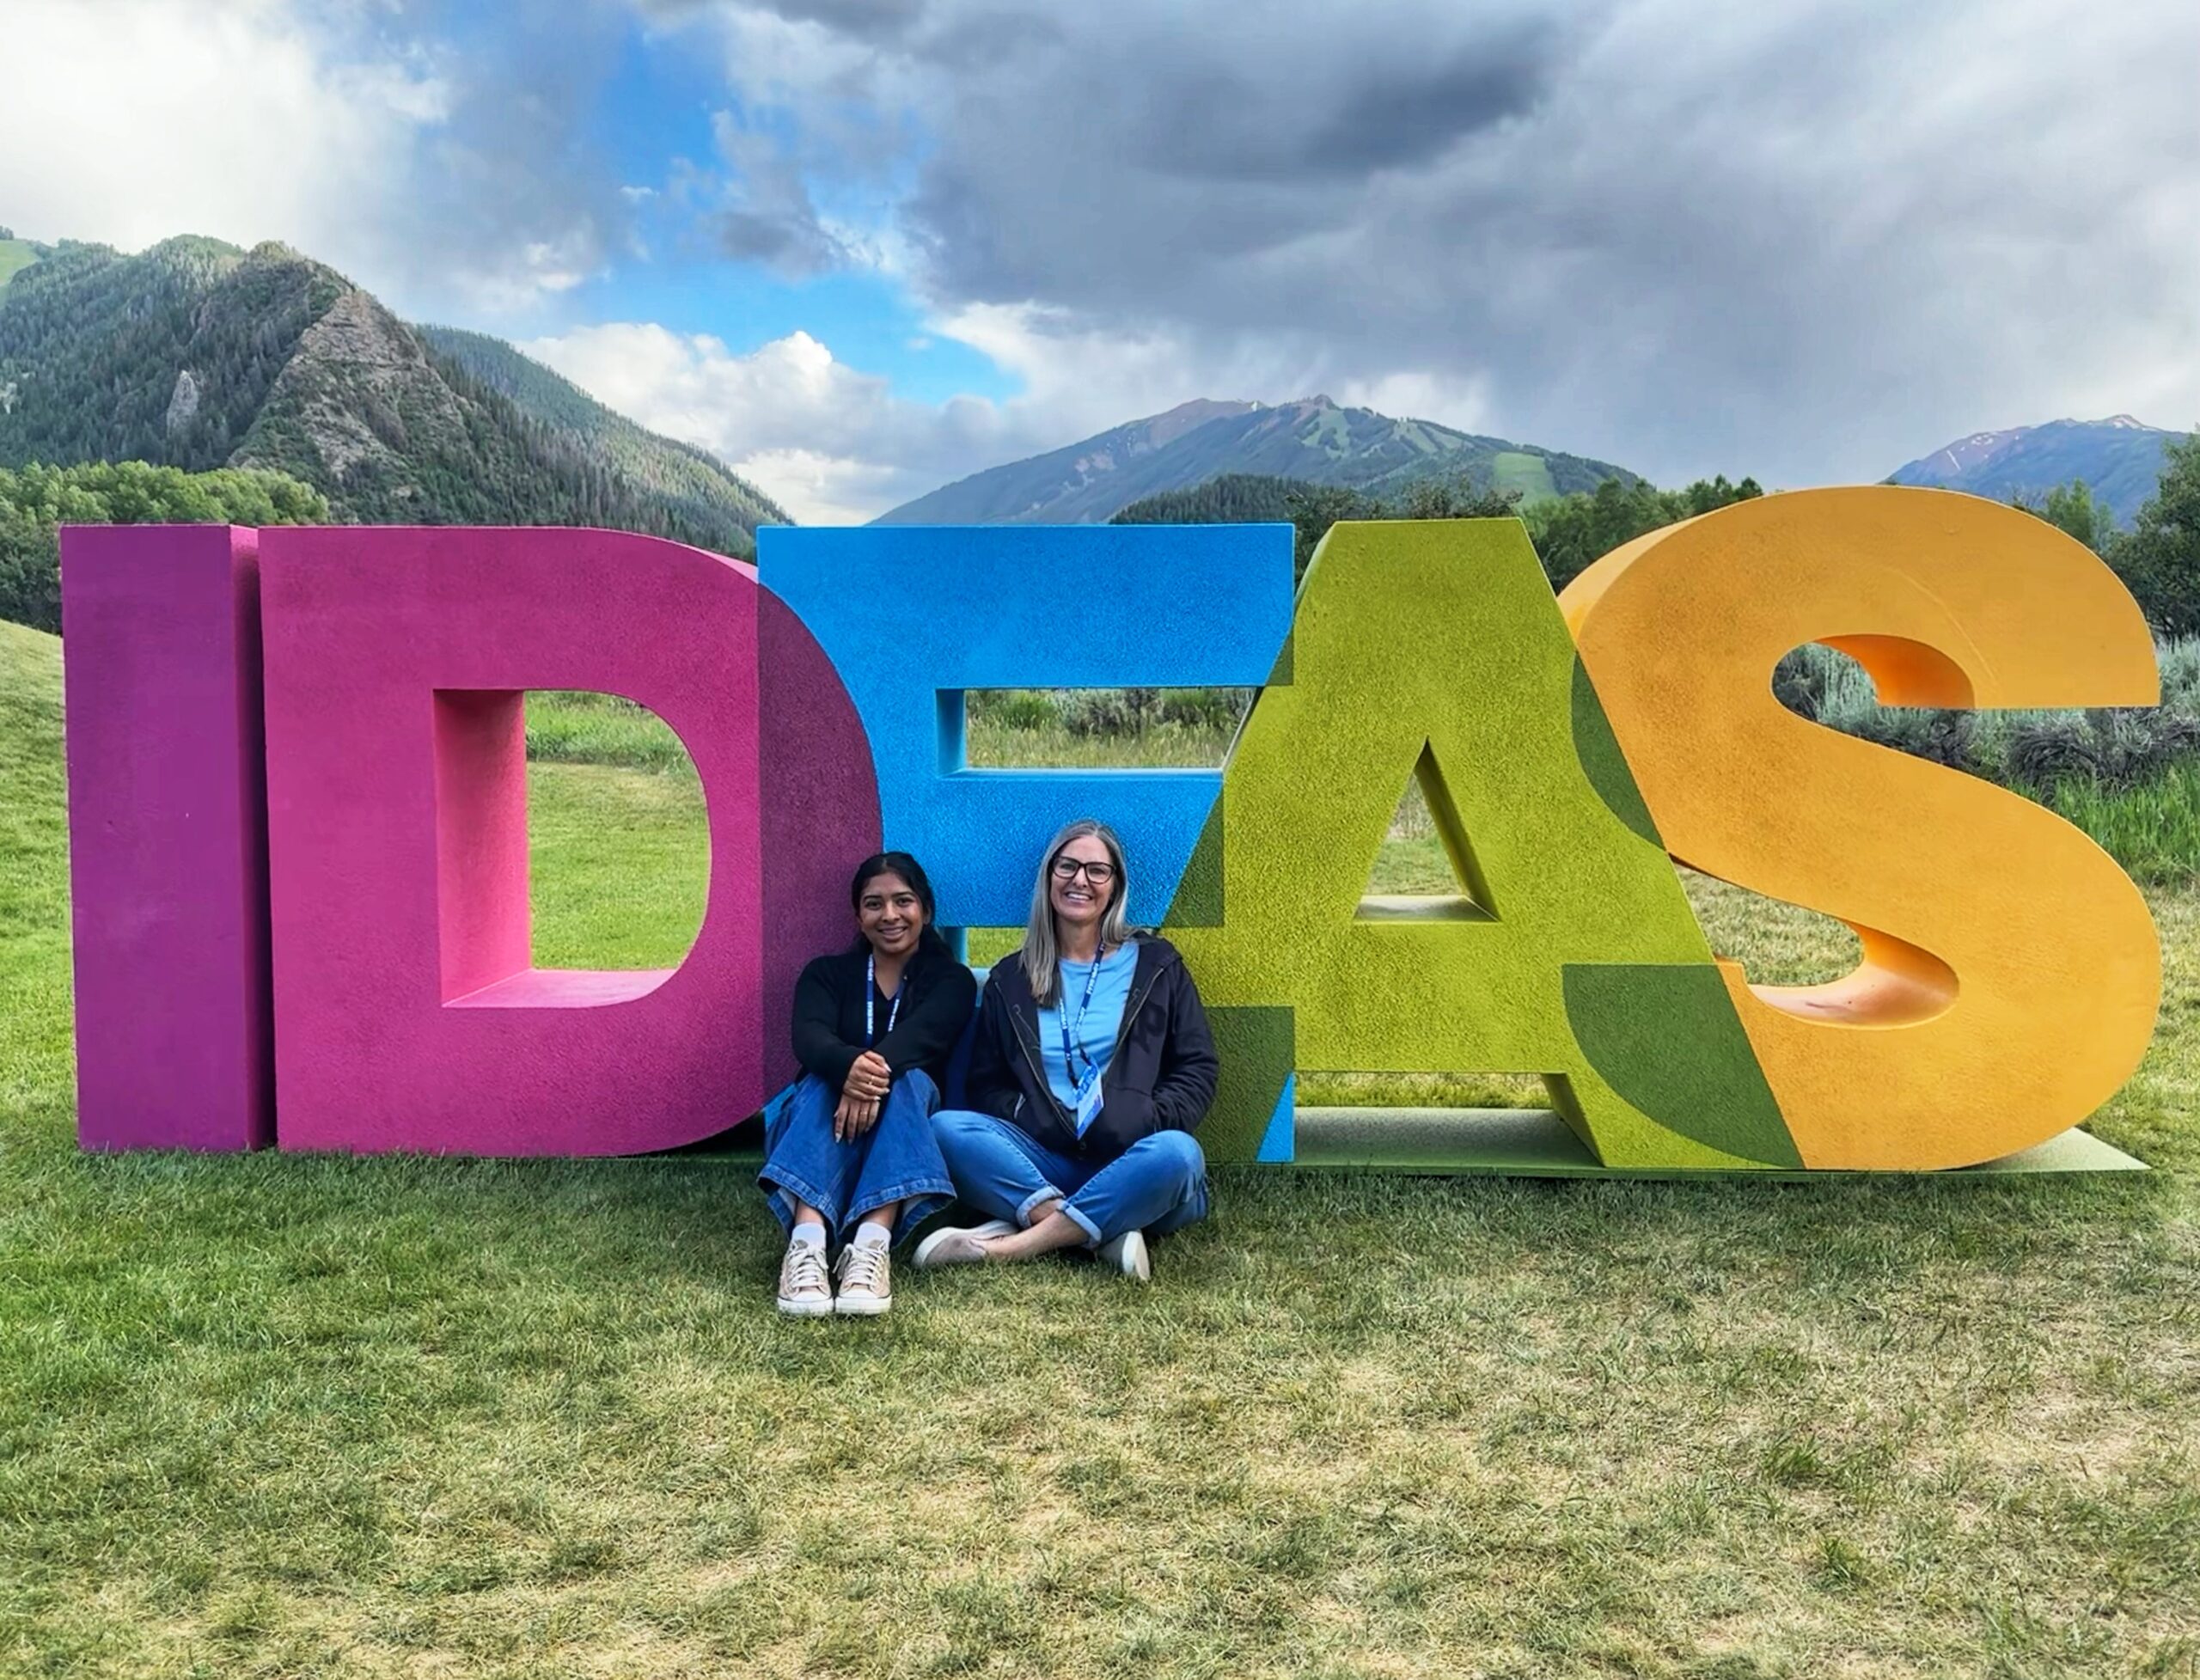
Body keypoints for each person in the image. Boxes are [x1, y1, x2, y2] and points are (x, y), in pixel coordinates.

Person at [916, 818, 1217, 1282]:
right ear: (1049, 876)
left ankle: (1015, 1243)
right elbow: (985, 1083)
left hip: (1133, 1156)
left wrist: (1147, 1119)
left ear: (1115, 886)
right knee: (944, 1129)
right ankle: (1098, 1232)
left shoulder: (1158, 965)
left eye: (1098, 871)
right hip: (1042, 1157)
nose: (1080, 880)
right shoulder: (1011, 977)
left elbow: (1196, 1067)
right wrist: (1027, 1113)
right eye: (1068, 866)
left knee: (1179, 1155)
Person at [761, 851, 976, 1317]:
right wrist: (845, 1071)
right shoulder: (825, 974)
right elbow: (809, 1039)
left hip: (907, 1126)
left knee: (907, 1082)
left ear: (926, 909)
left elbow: (925, 1035)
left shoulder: (951, 980)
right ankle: (807, 1244)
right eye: (874, 904)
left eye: (904, 901)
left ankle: (871, 1247)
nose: (890, 915)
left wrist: (862, 1075)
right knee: (821, 1081)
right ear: (858, 916)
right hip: (822, 1122)